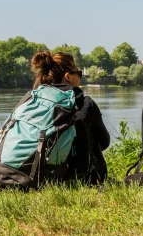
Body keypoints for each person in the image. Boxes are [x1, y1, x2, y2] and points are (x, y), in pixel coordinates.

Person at [30, 50, 111, 184]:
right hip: (76, 177)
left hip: (34, 174)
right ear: (68, 76)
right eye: (78, 73)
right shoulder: (84, 103)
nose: (80, 77)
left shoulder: (33, 101)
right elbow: (104, 142)